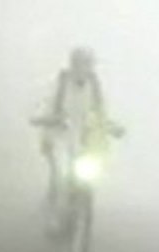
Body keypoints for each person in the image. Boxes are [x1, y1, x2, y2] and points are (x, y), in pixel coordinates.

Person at [37, 47, 111, 205]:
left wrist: (110, 126)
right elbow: (44, 104)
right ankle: (53, 207)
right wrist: (46, 118)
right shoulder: (60, 83)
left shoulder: (94, 85)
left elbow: (101, 111)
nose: (84, 68)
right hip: (59, 138)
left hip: (84, 141)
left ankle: (83, 205)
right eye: (80, 63)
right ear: (72, 64)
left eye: (88, 64)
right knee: (61, 173)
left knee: (89, 175)